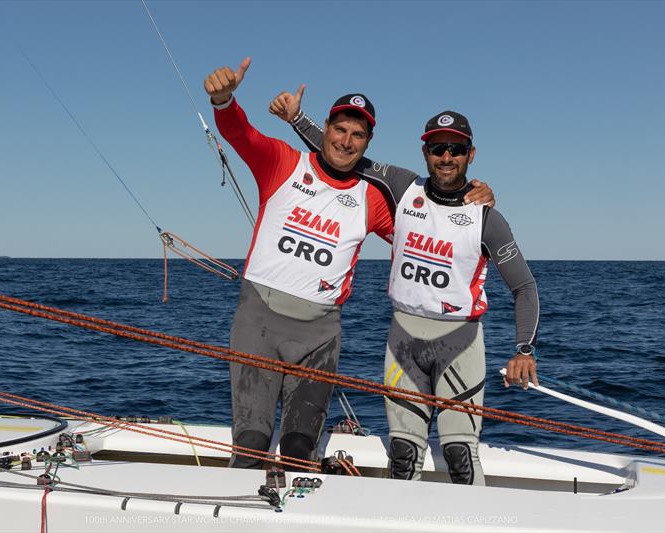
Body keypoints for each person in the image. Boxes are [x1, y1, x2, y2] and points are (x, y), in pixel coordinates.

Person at [204, 58, 496, 469]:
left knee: (299, 448)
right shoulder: (282, 163)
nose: (346, 140)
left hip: (320, 335)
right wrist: (223, 98)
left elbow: (432, 234)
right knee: (251, 444)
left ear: (367, 141)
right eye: (339, 129)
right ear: (325, 128)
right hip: (259, 324)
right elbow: (240, 133)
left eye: (357, 134)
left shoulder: (372, 198)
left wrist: (472, 198)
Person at [271, 92, 539, 485]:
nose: (446, 157)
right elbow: (344, 155)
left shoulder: (487, 218)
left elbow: (525, 287)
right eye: (437, 148)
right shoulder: (401, 186)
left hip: (460, 342)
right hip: (403, 340)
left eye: (455, 149)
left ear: (471, 154)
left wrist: (524, 351)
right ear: (425, 151)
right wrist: (297, 119)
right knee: (402, 455)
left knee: (460, 455)